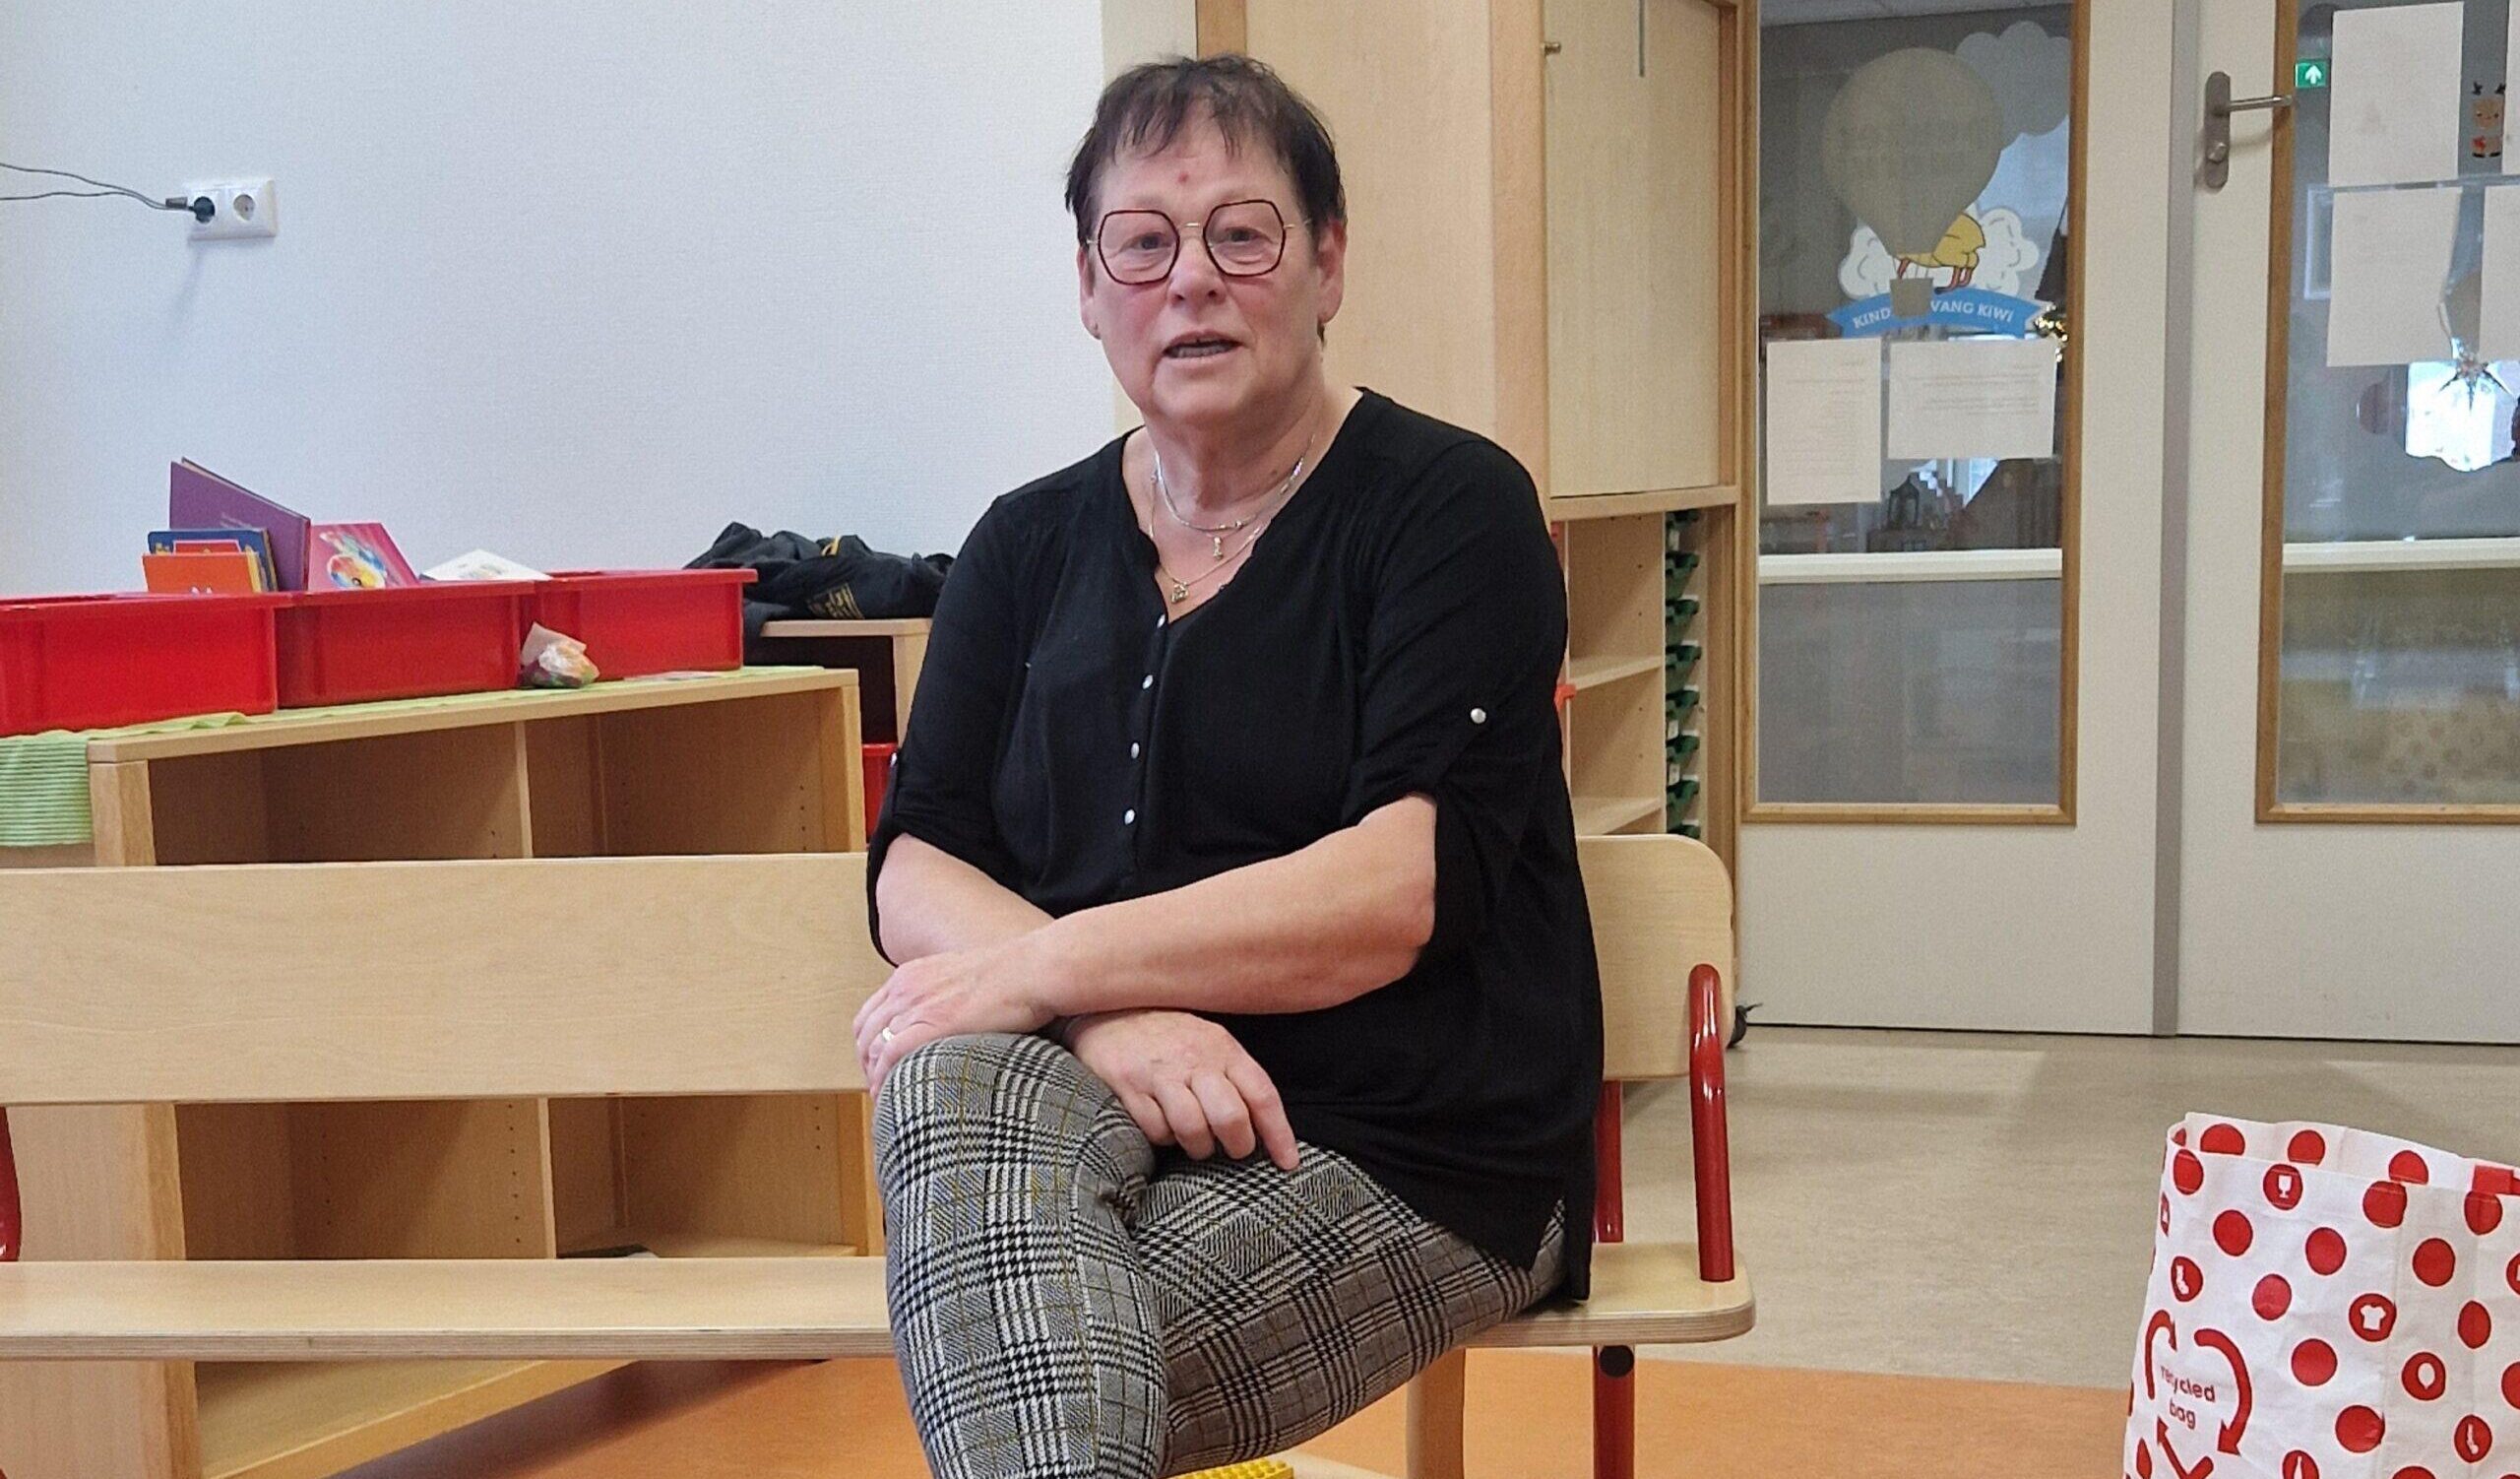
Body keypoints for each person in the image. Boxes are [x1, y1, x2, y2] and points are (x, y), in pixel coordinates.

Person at [851, 53, 1603, 1479]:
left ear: (1328, 264)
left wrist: (1042, 971)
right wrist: (1106, 1014)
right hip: (1091, 1088)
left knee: (1019, 1354)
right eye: (1141, 242)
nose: (1190, 279)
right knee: (952, 1099)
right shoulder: (1020, 544)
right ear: (1089, 288)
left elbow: (1392, 890)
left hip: (1409, 1145)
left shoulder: (1454, 510)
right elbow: (917, 861)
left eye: (1242, 234)